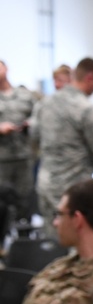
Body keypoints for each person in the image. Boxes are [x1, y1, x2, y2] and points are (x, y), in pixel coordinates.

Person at [32, 58, 93, 237]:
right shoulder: (86, 109)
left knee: (51, 242)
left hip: (45, 183)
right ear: (90, 77)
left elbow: (34, 136)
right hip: (72, 188)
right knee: (75, 242)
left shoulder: (44, 104)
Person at [0, 59, 39, 221]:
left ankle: (25, 237)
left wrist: (29, 124)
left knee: (25, 198)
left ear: (6, 68)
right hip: (2, 159)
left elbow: (39, 116)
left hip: (24, 156)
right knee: (2, 200)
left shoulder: (25, 95)